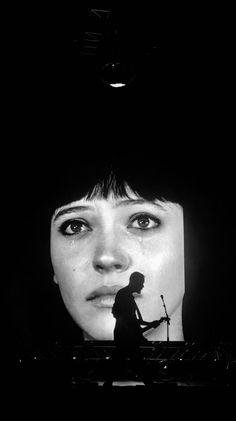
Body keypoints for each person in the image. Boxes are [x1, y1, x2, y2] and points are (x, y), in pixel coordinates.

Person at [49, 160, 185, 342]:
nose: (106, 257)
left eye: (143, 221)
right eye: (75, 226)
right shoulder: (125, 297)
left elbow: (135, 323)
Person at [102, 271, 169, 385]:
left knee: (121, 363)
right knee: (136, 364)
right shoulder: (124, 295)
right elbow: (122, 316)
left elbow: (131, 320)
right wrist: (137, 330)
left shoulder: (126, 295)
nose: (142, 286)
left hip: (125, 336)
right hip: (125, 338)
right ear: (135, 282)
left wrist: (150, 324)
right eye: (141, 283)